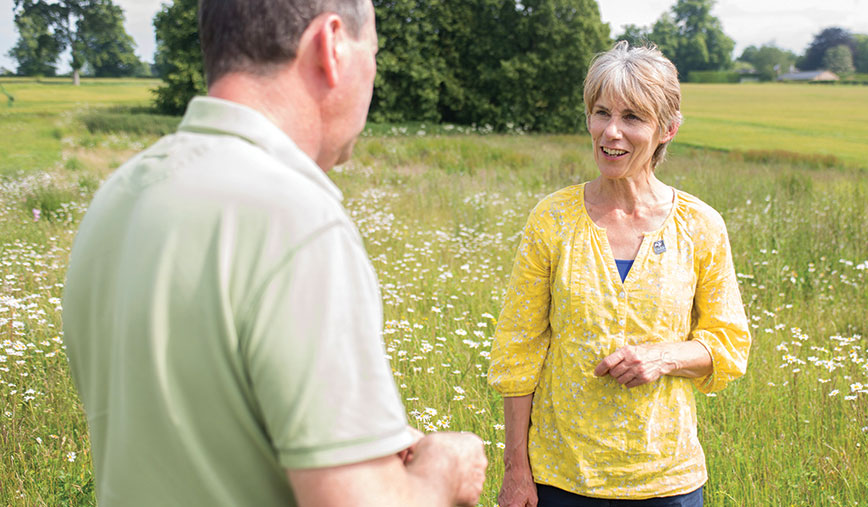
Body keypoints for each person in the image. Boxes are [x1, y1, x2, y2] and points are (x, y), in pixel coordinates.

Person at [61, 1, 486, 505]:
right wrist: (445, 472)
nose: (374, 75)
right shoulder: (297, 221)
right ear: (331, 45)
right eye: (373, 50)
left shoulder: (120, 195)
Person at [488, 41, 751, 507]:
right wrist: (516, 471)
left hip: (669, 483)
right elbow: (518, 351)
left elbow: (728, 344)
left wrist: (664, 357)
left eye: (632, 117)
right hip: (560, 480)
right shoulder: (552, 219)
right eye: (601, 112)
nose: (611, 131)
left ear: (667, 130)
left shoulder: (700, 225)